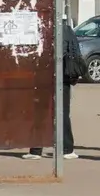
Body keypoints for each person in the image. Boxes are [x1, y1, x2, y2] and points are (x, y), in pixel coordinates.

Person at [26, 15, 82, 160]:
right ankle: (67, 149)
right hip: (63, 77)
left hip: (49, 76)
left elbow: (55, 53)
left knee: (42, 113)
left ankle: (36, 150)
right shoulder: (68, 30)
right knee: (62, 113)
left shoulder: (48, 30)